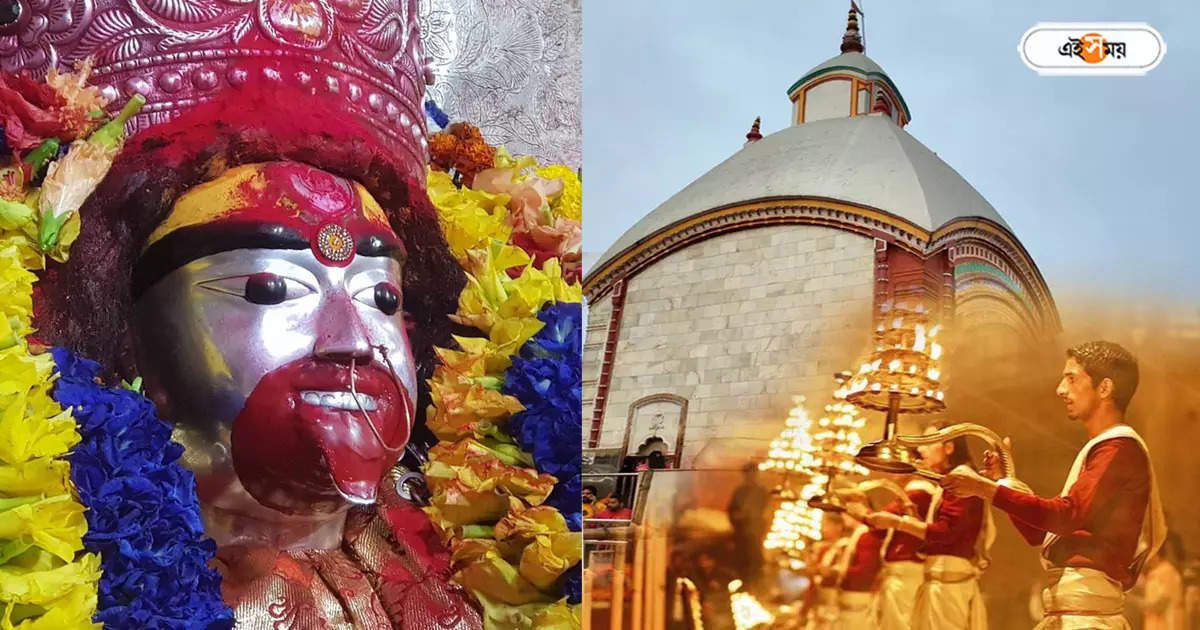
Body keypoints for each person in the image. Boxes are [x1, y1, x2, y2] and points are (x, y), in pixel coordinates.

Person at [25, 4, 486, 626]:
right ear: (128, 332)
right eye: (270, 289)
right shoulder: (50, 569)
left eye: (382, 299)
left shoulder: (470, 554)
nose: (353, 341)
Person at [942, 341, 1166, 630]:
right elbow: (1041, 534)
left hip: (1087, 618)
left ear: (1105, 388)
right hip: (1069, 611)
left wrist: (986, 490)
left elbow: (1066, 515)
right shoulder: (1102, 451)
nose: (1061, 389)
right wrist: (1001, 482)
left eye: (1072, 379)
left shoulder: (1120, 449)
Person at [854, 421, 992, 630]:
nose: (920, 449)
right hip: (939, 581)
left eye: (929, 443)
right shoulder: (948, 482)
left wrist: (898, 522)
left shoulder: (962, 480)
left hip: (949, 583)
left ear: (949, 448)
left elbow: (947, 533)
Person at [804, 513, 850, 630]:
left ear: (838, 526)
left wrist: (825, 571)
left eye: (826, 525)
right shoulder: (823, 548)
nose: (822, 529)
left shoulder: (845, 546)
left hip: (835, 603)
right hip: (819, 603)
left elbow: (840, 572)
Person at [728, 462, 770, 588]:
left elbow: (764, 511)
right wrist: (738, 517)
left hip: (755, 531)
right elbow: (732, 511)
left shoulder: (762, 492)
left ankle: (755, 586)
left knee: (755, 560)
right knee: (742, 560)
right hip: (741, 532)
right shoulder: (739, 491)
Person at [1135, 534, 1186, 630]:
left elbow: (1160, 606)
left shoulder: (1167, 572)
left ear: (1154, 555)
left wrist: (1131, 601)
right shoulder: (1154, 572)